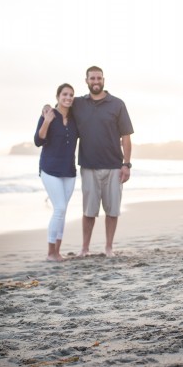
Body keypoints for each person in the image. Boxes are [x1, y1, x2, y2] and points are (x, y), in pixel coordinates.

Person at [43, 66, 134, 257]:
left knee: (112, 211)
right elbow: (62, 104)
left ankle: (109, 247)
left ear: (103, 80)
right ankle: (85, 248)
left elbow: (126, 136)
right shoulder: (79, 103)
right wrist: (46, 108)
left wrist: (126, 164)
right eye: (92, 78)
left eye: (98, 78)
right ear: (86, 81)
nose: (95, 81)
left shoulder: (117, 104)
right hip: (88, 167)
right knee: (89, 212)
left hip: (114, 166)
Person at [34, 83, 79, 261]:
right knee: (59, 208)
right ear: (58, 96)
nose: (68, 98)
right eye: (64, 94)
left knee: (63, 210)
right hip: (50, 168)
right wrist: (46, 121)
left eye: (71, 95)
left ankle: (57, 251)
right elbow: (38, 140)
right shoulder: (49, 114)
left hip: (69, 170)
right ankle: (50, 253)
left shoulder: (76, 117)